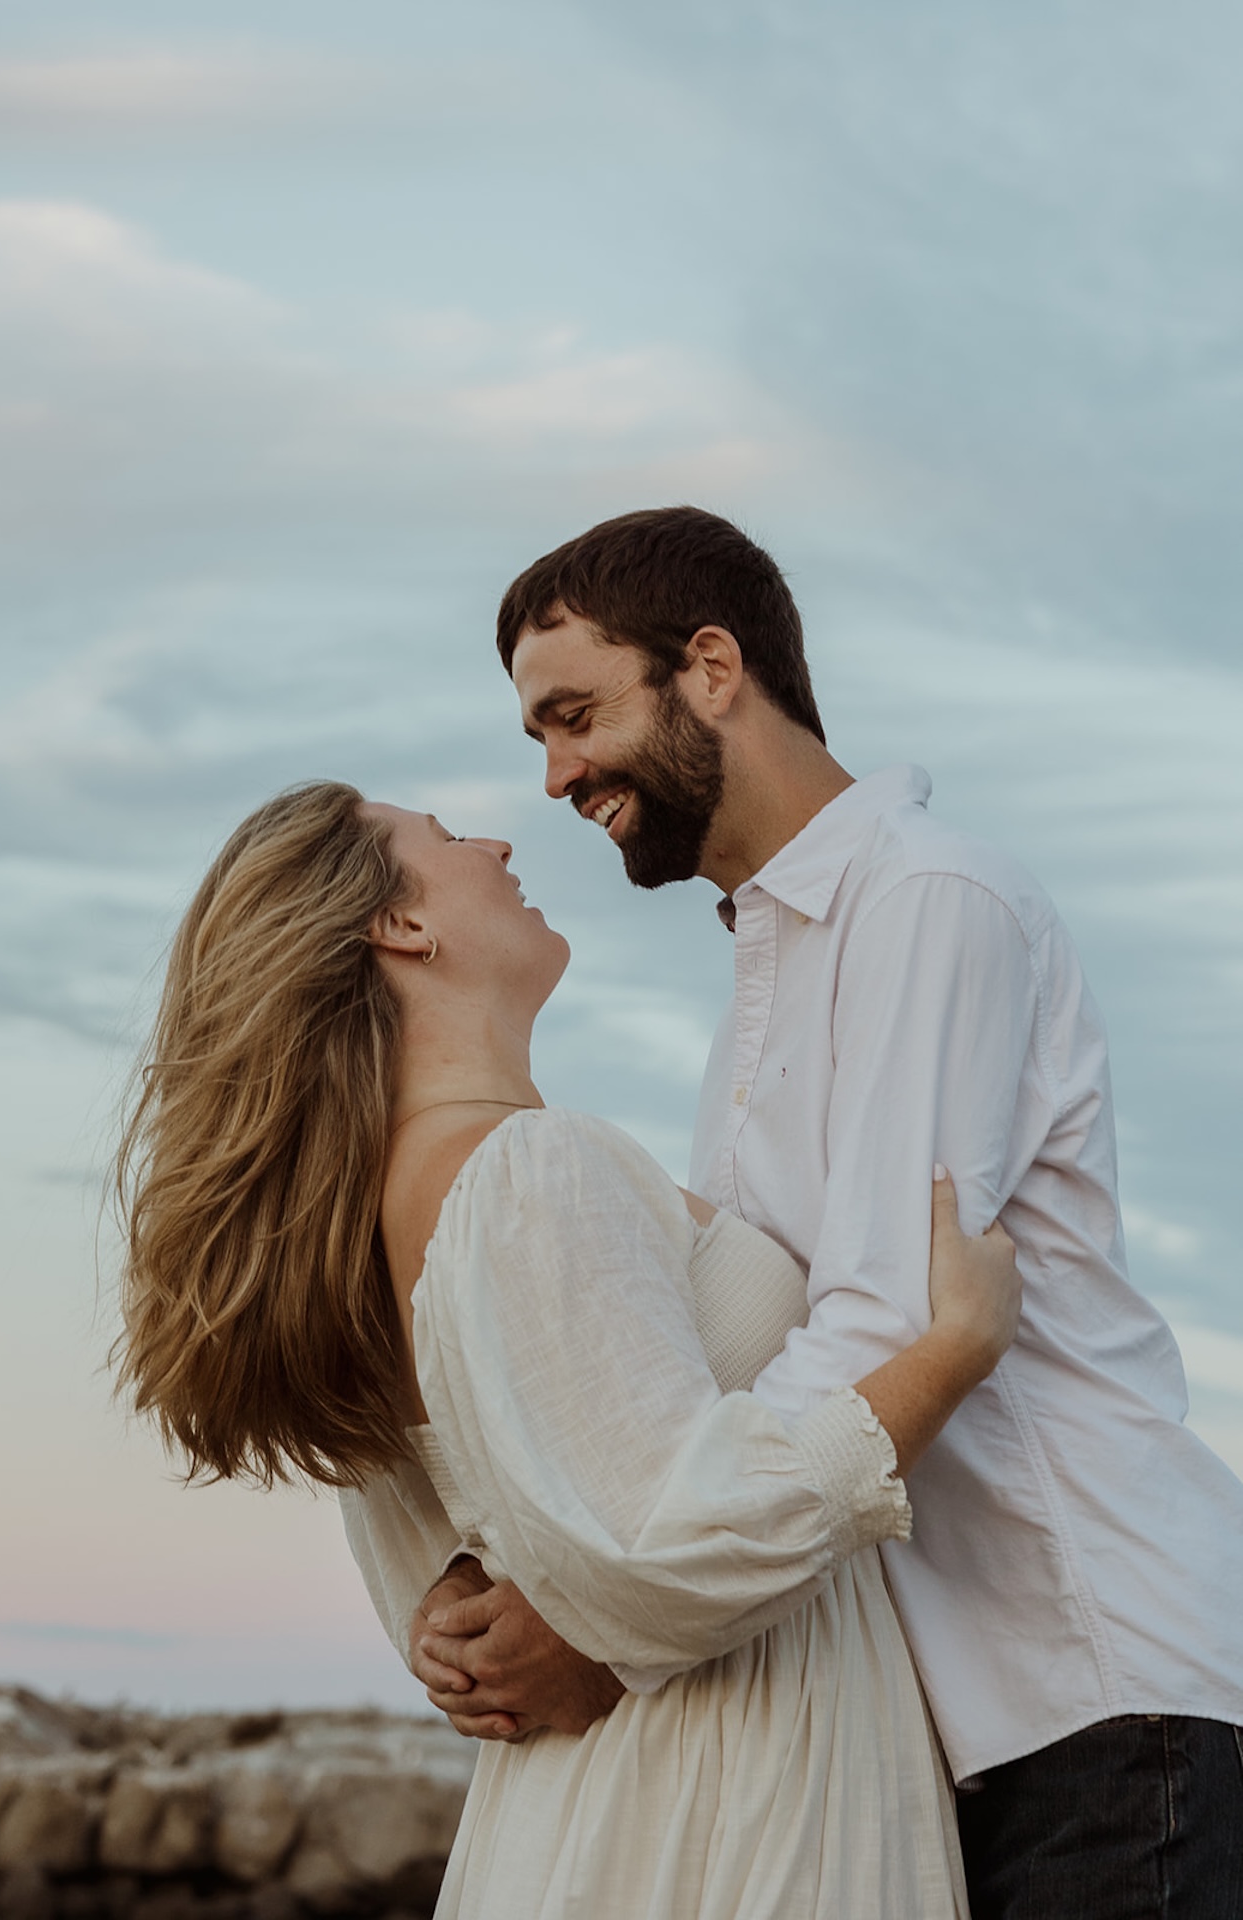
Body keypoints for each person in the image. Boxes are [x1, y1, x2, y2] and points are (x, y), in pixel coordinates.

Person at [410, 507, 1243, 1919]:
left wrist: (615, 1627)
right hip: (960, 1722)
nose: (554, 777)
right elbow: (739, 1336)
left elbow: (889, 1317)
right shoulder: (772, 968)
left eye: (573, 716)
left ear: (714, 667)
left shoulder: (929, 900)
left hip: (1094, 1684)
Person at [113, 779, 1021, 1920]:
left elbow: (446, 1599)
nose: (493, 839)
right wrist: (950, 1349)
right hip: (718, 1792)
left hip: (587, 1805)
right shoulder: (525, 1170)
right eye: (444, 838)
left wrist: (487, 1613)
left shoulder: (367, 1226)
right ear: (402, 927)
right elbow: (661, 1543)